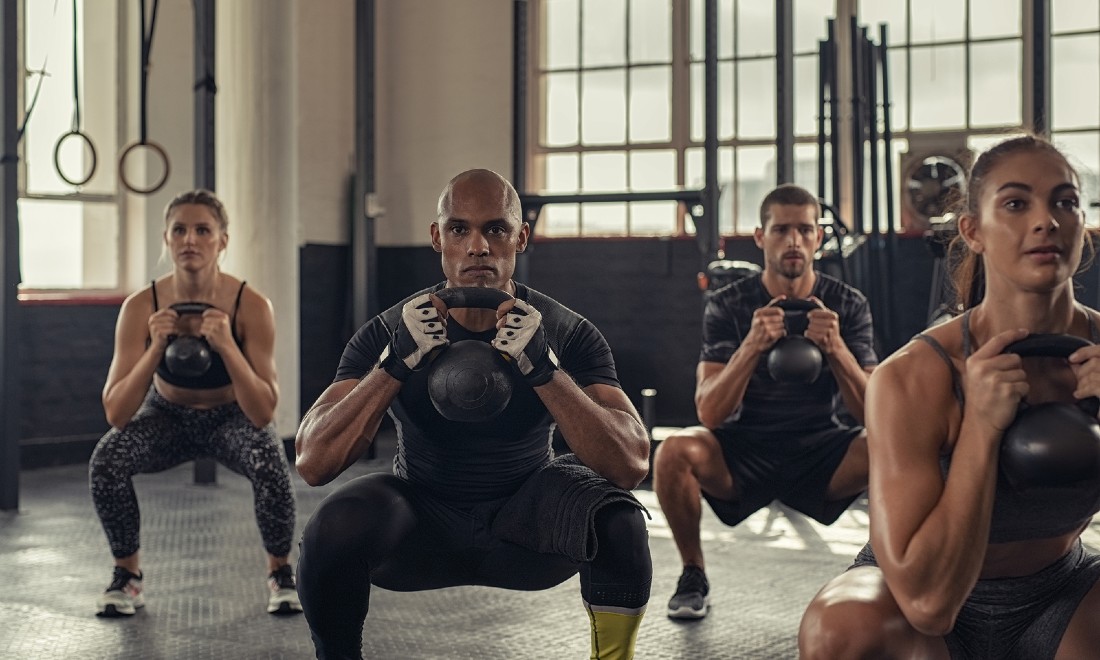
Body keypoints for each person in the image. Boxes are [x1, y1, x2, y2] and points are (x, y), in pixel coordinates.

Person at [294, 168, 653, 660]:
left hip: (528, 526)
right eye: (460, 229)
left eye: (496, 229)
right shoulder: (388, 331)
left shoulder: (567, 332)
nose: (478, 246)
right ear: (437, 238)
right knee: (332, 527)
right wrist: (394, 364)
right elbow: (313, 461)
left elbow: (631, 462)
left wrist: (545, 369)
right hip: (421, 523)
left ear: (520, 237)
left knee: (620, 521)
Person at [798, 135, 1100, 659]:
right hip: (917, 604)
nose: (1046, 220)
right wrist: (981, 428)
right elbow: (928, 603)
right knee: (841, 630)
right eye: (1015, 203)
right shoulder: (913, 377)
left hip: (1062, 593)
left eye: (1065, 201)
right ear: (973, 231)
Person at [653, 183, 877, 620]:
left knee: (890, 444)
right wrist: (752, 346)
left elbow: (873, 413)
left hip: (822, 449)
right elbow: (710, 412)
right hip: (744, 449)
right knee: (674, 451)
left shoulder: (848, 305)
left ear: (819, 237)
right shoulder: (728, 305)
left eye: (805, 230)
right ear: (761, 237)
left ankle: (880, 570)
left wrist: (837, 350)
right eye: (781, 230)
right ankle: (692, 573)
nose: (793, 241)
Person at [90, 189, 301, 618]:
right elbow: (116, 412)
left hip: (230, 417)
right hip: (166, 415)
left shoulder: (252, 306)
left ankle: (280, 572)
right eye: (180, 230)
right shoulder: (140, 307)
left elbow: (263, 412)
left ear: (223, 240)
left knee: (270, 461)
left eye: (203, 230)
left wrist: (227, 346)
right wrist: (156, 347)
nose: (190, 239)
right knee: (107, 459)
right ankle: (127, 576)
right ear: (166, 239)